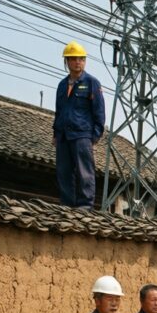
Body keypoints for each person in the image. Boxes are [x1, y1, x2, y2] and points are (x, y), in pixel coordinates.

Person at [53, 41, 105, 209]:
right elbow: (59, 111)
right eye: (74, 59)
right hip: (63, 135)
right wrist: (56, 133)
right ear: (67, 61)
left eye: (81, 59)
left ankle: (85, 205)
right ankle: (67, 204)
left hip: (82, 134)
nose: (78, 62)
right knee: (64, 171)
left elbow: (99, 111)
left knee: (84, 171)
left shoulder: (91, 83)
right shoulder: (62, 85)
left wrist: (95, 135)